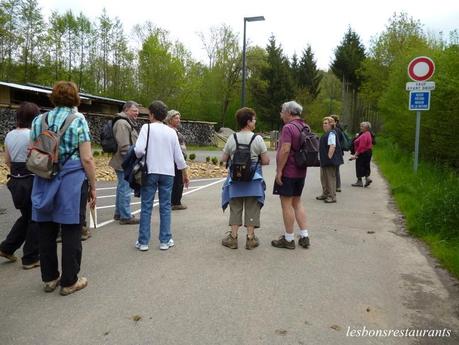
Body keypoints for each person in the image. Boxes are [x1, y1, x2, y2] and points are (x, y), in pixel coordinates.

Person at [30, 81, 96, 296]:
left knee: (46, 228)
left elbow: (34, 150)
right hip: (72, 179)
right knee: (71, 229)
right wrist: (93, 185)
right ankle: (69, 281)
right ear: (75, 98)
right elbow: (86, 158)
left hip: (44, 176)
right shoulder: (78, 120)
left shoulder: (39, 120)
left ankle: (49, 278)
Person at [134, 101, 189, 252]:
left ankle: (143, 241)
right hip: (168, 173)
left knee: (146, 207)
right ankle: (165, 240)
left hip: (150, 171)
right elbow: (179, 156)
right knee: (165, 206)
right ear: (165, 116)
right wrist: (185, 172)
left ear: (151, 114)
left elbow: (138, 150)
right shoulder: (172, 132)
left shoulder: (147, 128)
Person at [221, 107, 270, 250]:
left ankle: (233, 238)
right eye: (254, 120)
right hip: (253, 179)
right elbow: (266, 160)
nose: (255, 122)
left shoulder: (232, 138)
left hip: (235, 179)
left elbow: (224, 158)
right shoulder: (257, 138)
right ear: (248, 122)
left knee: (235, 207)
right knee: (252, 207)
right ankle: (250, 238)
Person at [0, 102, 40, 269]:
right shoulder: (33, 135)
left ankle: (7, 247)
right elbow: (39, 160)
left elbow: (8, 161)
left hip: (15, 180)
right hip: (31, 178)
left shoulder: (9, 135)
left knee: (26, 216)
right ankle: (30, 257)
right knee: (35, 219)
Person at [271, 101, 311, 250]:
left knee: (286, 204)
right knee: (297, 202)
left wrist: (279, 170)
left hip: (289, 171)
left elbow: (285, 149)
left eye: (282, 111)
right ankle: (304, 236)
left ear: (289, 112)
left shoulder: (288, 128)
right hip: (301, 171)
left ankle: (288, 239)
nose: (281, 114)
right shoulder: (305, 126)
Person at [109, 101, 139, 225]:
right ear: (126, 110)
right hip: (124, 162)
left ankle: (119, 213)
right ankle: (125, 216)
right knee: (125, 188)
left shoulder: (125, 122)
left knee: (122, 187)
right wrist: (132, 161)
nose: (136, 113)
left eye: (137, 110)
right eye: (134, 110)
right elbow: (124, 147)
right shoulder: (122, 123)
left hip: (123, 161)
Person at [316, 117, 344, 203]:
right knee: (323, 178)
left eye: (326, 123)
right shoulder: (326, 133)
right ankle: (325, 193)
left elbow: (332, 146)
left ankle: (332, 196)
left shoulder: (332, 133)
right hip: (324, 161)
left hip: (329, 161)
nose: (324, 125)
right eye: (323, 123)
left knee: (330, 178)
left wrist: (328, 158)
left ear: (331, 124)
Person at [165, 110, 187, 210]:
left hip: (177, 159)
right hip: (174, 160)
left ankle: (173, 201)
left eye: (179, 118)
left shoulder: (174, 130)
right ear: (170, 119)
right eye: (176, 118)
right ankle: (175, 202)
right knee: (178, 181)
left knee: (177, 181)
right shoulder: (169, 131)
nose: (178, 120)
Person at [350, 121, 373, 187]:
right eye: (361, 126)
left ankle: (359, 181)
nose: (361, 127)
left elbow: (361, 146)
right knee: (366, 165)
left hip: (363, 152)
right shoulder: (368, 133)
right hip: (368, 151)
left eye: (362, 126)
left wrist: (356, 154)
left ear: (367, 128)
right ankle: (367, 178)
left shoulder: (364, 135)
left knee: (359, 166)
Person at [330, 115, 345, 192]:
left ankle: (337, 186)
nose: (330, 122)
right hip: (338, 152)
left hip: (336, 152)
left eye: (331, 121)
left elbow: (334, 143)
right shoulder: (338, 130)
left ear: (335, 122)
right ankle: (336, 186)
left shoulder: (336, 130)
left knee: (335, 170)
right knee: (335, 170)